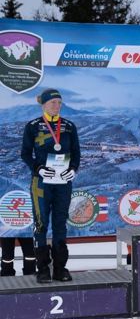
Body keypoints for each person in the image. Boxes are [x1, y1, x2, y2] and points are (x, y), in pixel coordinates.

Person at [20, 88, 81, 283]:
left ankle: (60, 268)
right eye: (53, 102)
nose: (57, 105)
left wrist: (73, 169)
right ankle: (43, 268)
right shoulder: (33, 126)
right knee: (40, 223)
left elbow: (76, 153)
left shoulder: (69, 126)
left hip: (63, 182)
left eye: (60, 102)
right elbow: (25, 154)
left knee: (60, 224)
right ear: (44, 104)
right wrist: (37, 168)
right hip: (41, 183)